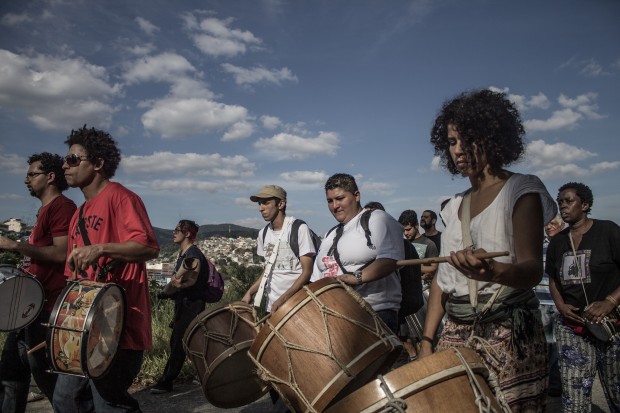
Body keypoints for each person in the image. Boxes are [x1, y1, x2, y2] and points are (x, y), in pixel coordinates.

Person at [419, 89, 557, 413]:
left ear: (492, 137)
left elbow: (532, 268)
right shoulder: (453, 206)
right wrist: (427, 341)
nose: (458, 150)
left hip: (507, 333)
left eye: (467, 139)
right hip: (454, 333)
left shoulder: (521, 190)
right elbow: (443, 279)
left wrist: (493, 272)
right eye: (452, 142)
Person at [52, 126, 159, 413]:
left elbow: (148, 247)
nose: (65, 164)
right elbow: (72, 277)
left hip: (119, 326)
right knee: (66, 400)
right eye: (66, 159)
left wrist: (100, 248)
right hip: (83, 328)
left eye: (73, 159)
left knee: (109, 404)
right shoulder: (78, 214)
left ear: (98, 163)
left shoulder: (121, 198)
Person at [0, 153, 76, 412]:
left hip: (45, 308)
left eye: (32, 174)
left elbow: (61, 253)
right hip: (28, 307)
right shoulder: (45, 210)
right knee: (10, 375)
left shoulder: (62, 207)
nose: (25, 180)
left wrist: (14, 245)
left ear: (50, 177)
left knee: (47, 379)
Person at [546, 182, 620, 412]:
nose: (563, 207)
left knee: (617, 391)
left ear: (585, 204)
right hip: (572, 329)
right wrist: (561, 306)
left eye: (569, 201)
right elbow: (553, 279)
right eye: (560, 203)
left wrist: (610, 301)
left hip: (611, 326)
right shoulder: (558, 242)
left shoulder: (608, 231)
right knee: (575, 398)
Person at [310, 173, 404, 334]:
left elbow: (390, 259)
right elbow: (316, 278)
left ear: (357, 196)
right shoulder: (329, 234)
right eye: (330, 201)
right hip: (335, 316)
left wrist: (355, 278)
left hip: (374, 312)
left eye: (340, 198)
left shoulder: (378, 219)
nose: (335, 206)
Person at [151, 220, 210, 394]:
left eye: (177, 230)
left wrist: (177, 286)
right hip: (185, 304)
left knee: (179, 343)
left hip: (191, 305)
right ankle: (206, 374)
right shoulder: (185, 253)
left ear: (187, 233)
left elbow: (191, 280)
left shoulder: (193, 254)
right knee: (191, 342)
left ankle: (166, 381)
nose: (173, 232)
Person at [242, 185, 316, 314]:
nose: (261, 208)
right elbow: (268, 270)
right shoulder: (263, 234)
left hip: (298, 306)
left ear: (281, 204)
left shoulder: (298, 229)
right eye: (260, 204)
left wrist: (283, 299)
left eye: (266, 203)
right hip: (272, 309)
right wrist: (249, 293)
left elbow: (307, 272)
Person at [537, 214, 564, 397]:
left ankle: (555, 383)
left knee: (557, 345)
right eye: (547, 224)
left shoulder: (566, 245)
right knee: (545, 344)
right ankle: (546, 383)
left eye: (553, 224)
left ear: (561, 226)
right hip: (541, 301)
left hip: (559, 303)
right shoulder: (542, 246)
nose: (549, 227)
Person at [398, 210, 439, 283]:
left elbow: (434, 267)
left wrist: (412, 267)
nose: (405, 233)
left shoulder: (429, 244)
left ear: (416, 225)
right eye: (403, 230)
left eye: (408, 229)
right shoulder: (401, 244)